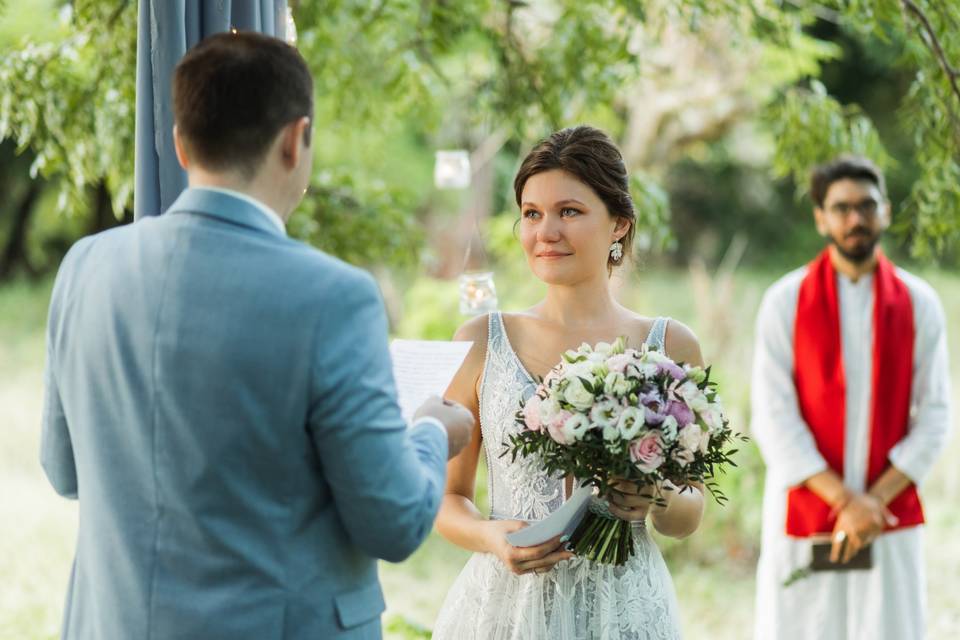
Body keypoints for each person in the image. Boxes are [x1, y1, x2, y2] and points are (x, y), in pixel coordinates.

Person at [40, 32, 474, 640]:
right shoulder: (333, 297)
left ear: (180, 146)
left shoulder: (84, 266)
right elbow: (395, 522)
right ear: (296, 141)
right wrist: (431, 431)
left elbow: (64, 472)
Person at [431, 125, 706, 640]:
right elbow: (447, 500)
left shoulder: (671, 346)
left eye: (570, 211)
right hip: (505, 613)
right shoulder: (479, 342)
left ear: (619, 223)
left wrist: (657, 496)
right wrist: (492, 537)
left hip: (624, 608)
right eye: (532, 213)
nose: (545, 232)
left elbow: (688, 513)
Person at [751, 155, 952, 640]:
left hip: (887, 512)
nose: (856, 219)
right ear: (821, 217)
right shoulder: (785, 300)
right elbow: (773, 415)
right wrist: (843, 500)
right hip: (807, 504)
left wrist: (869, 505)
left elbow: (937, 414)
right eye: (841, 208)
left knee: (887, 627)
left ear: (885, 211)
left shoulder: (919, 301)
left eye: (867, 206)